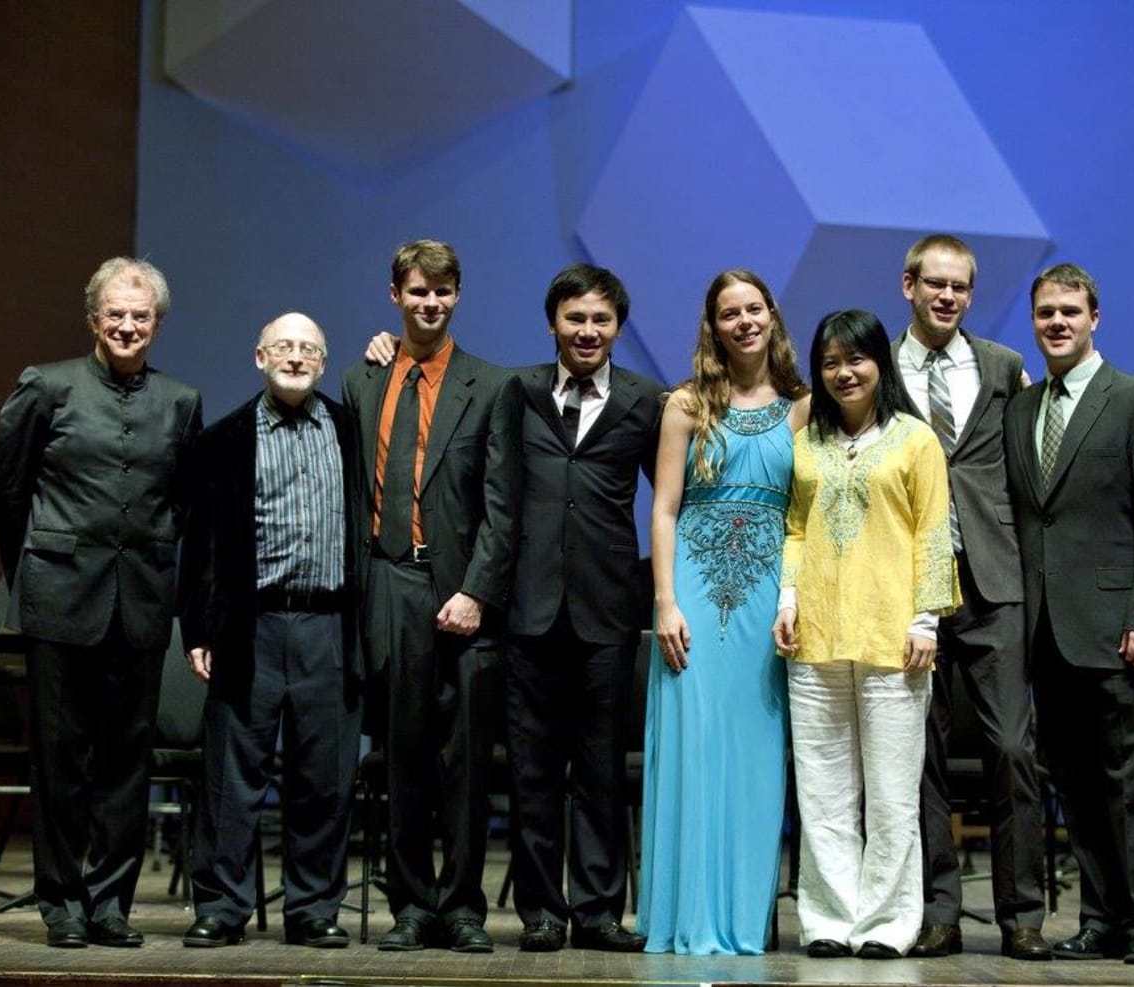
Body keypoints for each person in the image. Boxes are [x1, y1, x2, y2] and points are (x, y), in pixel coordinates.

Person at [363, 263, 662, 952]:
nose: (587, 332)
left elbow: (672, 501)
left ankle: (596, 909)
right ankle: (542, 911)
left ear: (618, 326)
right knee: (531, 771)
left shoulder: (647, 401)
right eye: (575, 319)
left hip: (607, 614)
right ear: (553, 322)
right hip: (525, 612)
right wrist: (385, 349)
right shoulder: (516, 391)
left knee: (599, 771)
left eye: (600, 320)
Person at [0, 257, 203, 948]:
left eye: (141, 315)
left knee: (125, 762)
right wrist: (40, 562)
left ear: (158, 323)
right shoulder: (46, 385)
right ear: (93, 318)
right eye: (116, 313)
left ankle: (111, 902)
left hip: (139, 599)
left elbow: (184, 501)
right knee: (60, 758)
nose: (128, 325)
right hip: (58, 597)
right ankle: (61, 900)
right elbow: (6, 489)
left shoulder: (181, 401)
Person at [343, 239, 522, 953]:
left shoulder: (491, 383)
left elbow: (504, 505)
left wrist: (477, 590)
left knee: (467, 760)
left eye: (443, 293)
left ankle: (463, 905)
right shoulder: (365, 380)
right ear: (396, 295)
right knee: (402, 754)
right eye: (418, 292)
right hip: (389, 582)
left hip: (461, 593)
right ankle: (411, 904)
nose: (430, 303)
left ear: (457, 296)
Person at [1003, 264, 1134, 964]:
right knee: (1076, 783)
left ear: (1096, 317)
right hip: (1046, 631)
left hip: (1118, 628)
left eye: (1070, 310)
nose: (1057, 322)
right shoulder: (1022, 408)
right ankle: (1102, 918)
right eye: (1045, 311)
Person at [772, 309, 960, 959]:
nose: (843, 372)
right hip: (816, 635)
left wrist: (926, 618)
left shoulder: (915, 440)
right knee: (820, 789)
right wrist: (788, 596)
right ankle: (827, 917)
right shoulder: (804, 443)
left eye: (856, 359)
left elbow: (934, 532)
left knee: (890, 792)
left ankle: (886, 921)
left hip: (893, 638)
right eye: (830, 362)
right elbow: (794, 527)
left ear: (880, 362)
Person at [177, 313, 362, 949]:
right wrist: (198, 629)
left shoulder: (349, 429)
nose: (295, 357)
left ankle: (312, 908)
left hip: (330, 624)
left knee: (325, 777)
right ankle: (222, 908)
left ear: (322, 361)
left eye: (309, 348)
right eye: (283, 346)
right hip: (247, 625)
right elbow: (198, 543)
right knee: (232, 778)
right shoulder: (224, 438)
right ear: (259, 357)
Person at [890, 235, 1050, 959]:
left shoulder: (1002, 367)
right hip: (904, 587)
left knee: (1013, 747)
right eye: (936, 284)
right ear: (909, 286)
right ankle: (939, 910)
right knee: (918, 755)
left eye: (960, 287)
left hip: (992, 581)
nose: (948, 296)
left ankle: (1022, 913)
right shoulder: (879, 368)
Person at [642, 269, 809, 954]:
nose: (744, 321)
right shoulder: (685, 404)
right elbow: (663, 508)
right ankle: (687, 915)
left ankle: (743, 919)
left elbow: (806, 512)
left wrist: (796, 596)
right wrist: (664, 601)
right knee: (695, 748)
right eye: (729, 313)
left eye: (754, 308)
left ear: (772, 315)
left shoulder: (803, 406)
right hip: (695, 600)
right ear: (713, 326)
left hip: (769, 602)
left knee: (756, 756)